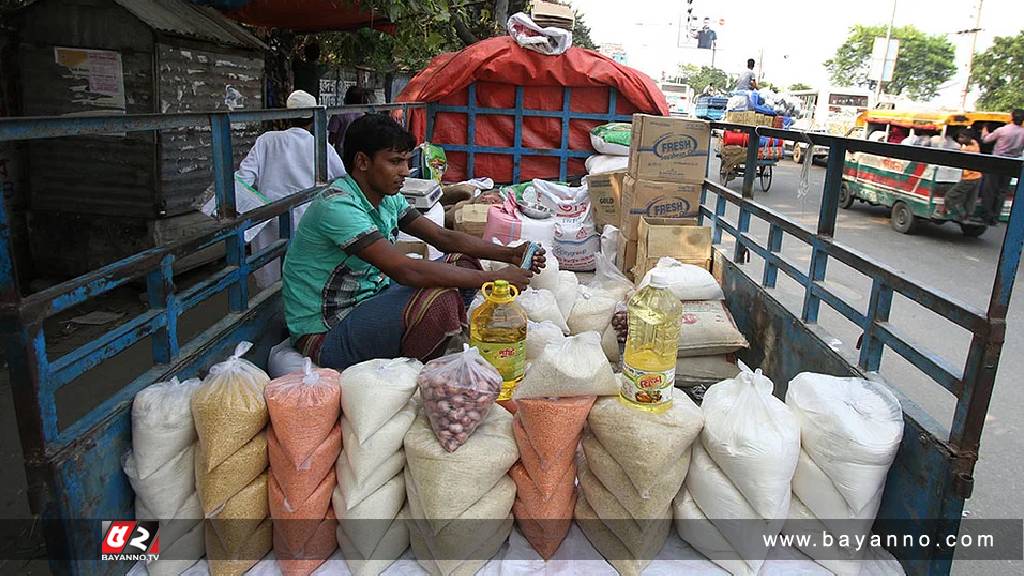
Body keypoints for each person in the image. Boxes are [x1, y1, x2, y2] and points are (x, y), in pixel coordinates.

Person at [282, 113, 545, 371]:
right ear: (362, 161)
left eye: (406, 162)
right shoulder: (337, 205)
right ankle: (429, 365)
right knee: (438, 299)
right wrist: (495, 280)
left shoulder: (386, 197)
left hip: (369, 303)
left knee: (462, 263)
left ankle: (435, 342)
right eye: (395, 162)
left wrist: (508, 254)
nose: (405, 171)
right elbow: (405, 270)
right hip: (327, 334)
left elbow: (442, 237)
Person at [201, 89, 346, 289]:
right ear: (313, 118)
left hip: (269, 219)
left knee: (269, 272)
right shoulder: (321, 145)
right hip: (307, 219)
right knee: (302, 276)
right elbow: (340, 178)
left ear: (286, 116)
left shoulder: (267, 140)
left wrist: (219, 203)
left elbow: (244, 177)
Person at [979, 109, 1024, 224]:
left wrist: (984, 130)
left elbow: (986, 140)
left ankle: (986, 215)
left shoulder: (1002, 130)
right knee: (1002, 190)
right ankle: (995, 217)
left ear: (1012, 117)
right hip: (1012, 163)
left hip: (997, 162)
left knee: (990, 189)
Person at [944, 129, 983, 223]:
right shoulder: (975, 143)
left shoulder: (968, 149)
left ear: (969, 138)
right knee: (970, 199)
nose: (960, 139)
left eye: (962, 137)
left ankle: (958, 214)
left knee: (950, 196)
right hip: (977, 176)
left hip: (969, 177)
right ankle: (968, 216)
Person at [328, 86, 372, 158]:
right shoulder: (364, 115)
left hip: (342, 149)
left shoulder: (339, 113)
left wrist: (330, 151)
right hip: (359, 149)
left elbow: (332, 135)